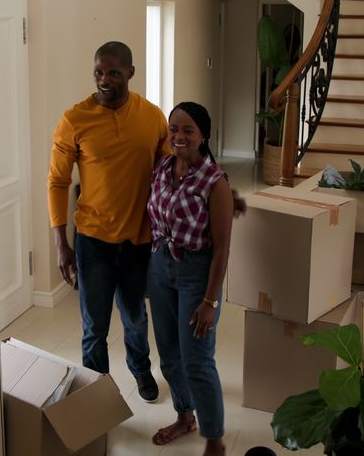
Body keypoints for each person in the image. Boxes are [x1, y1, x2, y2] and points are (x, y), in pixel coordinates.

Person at [47, 41, 165, 402]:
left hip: (138, 242)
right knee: (94, 327)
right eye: (99, 71)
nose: (105, 79)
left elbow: (167, 173)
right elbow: (57, 182)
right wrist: (61, 244)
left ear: (130, 72)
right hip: (93, 242)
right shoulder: (74, 119)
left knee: (134, 318)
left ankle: (141, 373)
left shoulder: (152, 116)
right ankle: (96, 395)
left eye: (114, 72)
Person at [146, 102, 233, 456]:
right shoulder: (163, 167)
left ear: (203, 137)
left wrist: (210, 301)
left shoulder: (215, 182)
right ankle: (185, 417)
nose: (178, 136)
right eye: (174, 129)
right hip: (159, 264)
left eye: (188, 130)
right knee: (168, 355)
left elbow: (223, 249)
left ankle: (214, 439)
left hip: (196, 272)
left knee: (197, 360)